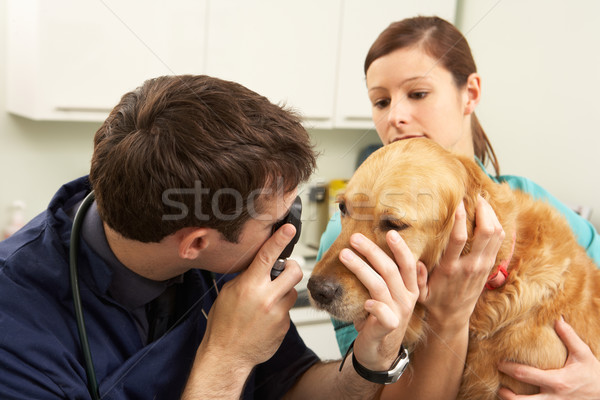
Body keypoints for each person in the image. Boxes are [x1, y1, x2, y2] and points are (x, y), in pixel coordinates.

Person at [0, 75, 421, 399]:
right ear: (197, 243)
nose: (288, 232)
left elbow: (292, 387)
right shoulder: (16, 332)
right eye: (275, 221)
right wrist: (227, 359)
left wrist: (370, 358)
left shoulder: (223, 261)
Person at [317, 16, 600, 400]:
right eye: (380, 101)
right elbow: (373, 390)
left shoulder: (529, 199)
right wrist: (449, 316)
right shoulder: (343, 233)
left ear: (470, 93)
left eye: (417, 94)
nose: (394, 116)